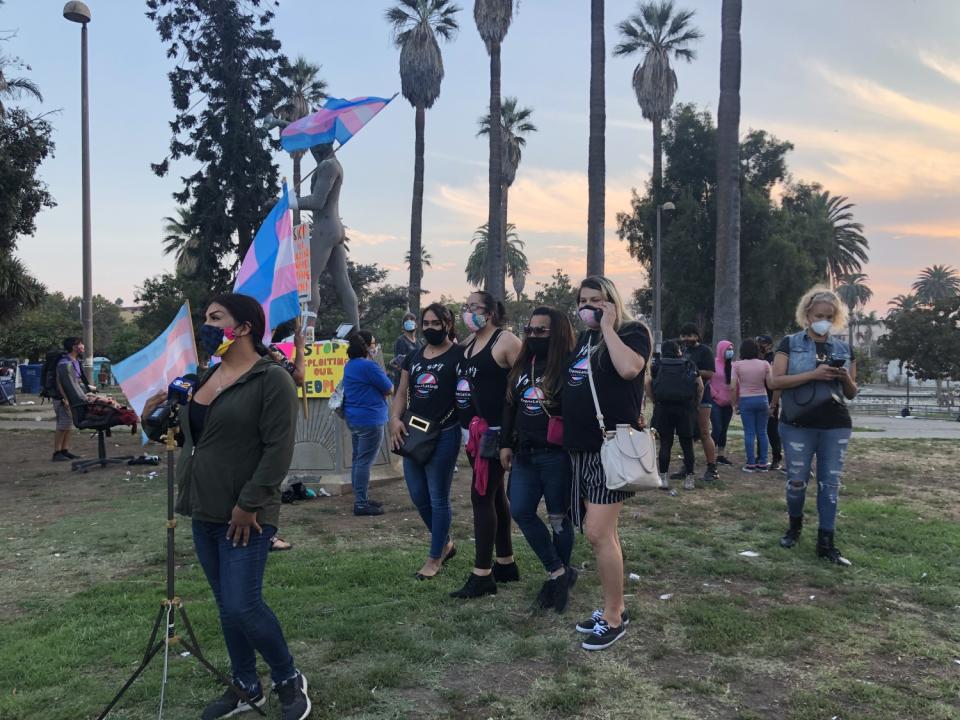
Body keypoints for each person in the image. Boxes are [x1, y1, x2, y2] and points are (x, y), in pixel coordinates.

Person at [142, 293, 311, 720]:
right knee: (225, 604)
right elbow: (185, 439)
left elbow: (278, 449)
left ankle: (289, 679)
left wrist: (249, 504)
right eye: (206, 317)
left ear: (245, 327)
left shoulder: (271, 379)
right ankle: (245, 685)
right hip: (204, 508)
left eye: (216, 317)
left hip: (247, 514)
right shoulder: (202, 378)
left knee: (243, 604)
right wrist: (151, 417)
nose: (207, 324)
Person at [563, 276, 651, 651]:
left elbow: (630, 370)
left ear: (612, 302)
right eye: (583, 300)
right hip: (580, 448)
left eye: (597, 300)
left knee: (598, 533)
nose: (588, 306)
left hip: (609, 447)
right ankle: (614, 606)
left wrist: (609, 328)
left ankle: (614, 618)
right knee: (603, 534)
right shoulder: (583, 340)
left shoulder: (632, 332)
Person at [769, 287, 858, 566]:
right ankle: (794, 527)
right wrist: (813, 374)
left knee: (829, 484)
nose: (824, 321)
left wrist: (843, 377)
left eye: (830, 317)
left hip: (835, 424)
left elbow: (852, 392)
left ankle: (826, 541)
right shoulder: (789, 343)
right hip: (797, 423)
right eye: (819, 315)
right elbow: (775, 382)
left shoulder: (843, 348)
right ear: (807, 314)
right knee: (796, 482)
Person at [500, 307, 577, 612]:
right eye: (529, 331)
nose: (533, 336)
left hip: (556, 455)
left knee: (559, 518)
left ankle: (558, 579)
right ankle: (558, 571)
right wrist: (505, 444)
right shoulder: (523, 366)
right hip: (524, 455)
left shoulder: (570, 367)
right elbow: (509, 406)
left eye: (540, 331)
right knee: (520, 510)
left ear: (556, 332)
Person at [451, 291, 523, 599]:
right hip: (473, 432)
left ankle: (482, 575)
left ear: (490, 313)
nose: (468, 312)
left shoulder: (506, 341)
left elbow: (525, 381)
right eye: (465, 307)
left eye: (474, 307)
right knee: (494, 497)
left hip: (496, 433)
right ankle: (505, 562)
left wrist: (511, 435)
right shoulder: (467, 345)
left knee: (481, 496)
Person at [389, 303, 462, 579]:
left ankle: (434, 558)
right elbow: (401, 391)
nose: (430, 328)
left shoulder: (459, 355)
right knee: (419, 496)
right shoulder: (415, 356)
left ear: (447, 324)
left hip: (445, 433)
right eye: (426, 323)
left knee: (438, 497)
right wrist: (394, 419)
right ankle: (444, 544)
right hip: (413, 434)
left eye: (436, 323)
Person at [343, 330, 393, 516]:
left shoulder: (350, 365)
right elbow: (389, 388)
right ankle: (361, 504)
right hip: (371, 419)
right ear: (365, 346)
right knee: (364, 461)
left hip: (354, 418)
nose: (375, 346)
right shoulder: (369, 366)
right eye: (372, 343)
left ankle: (360, 497)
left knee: (358, 459)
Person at [646, 340, 702, 491]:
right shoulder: (688, 364)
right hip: (685, 408)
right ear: (678, 351)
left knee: (665, 444)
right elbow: (700, 385)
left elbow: (647, 383)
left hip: (664, 408)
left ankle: (663, 478)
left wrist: (655, 399)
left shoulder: (657, 365)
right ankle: (689, 478)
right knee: (687, 444)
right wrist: (695, 403)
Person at [679, 323, 719, 482]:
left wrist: (691, 369)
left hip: (703, 396)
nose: (686, 339)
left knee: (704, 432)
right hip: (686, 397)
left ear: (697, 336)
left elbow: (710, 373)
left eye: (690, 335)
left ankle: (712, 468)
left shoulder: (705, 351)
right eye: (684, 336)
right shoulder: (683, 351)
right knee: (686, 433)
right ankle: (687, 466)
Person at [731, 338, 773, 472]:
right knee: (762, 432)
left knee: (749, 432)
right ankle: (763, 462)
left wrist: (734, 403)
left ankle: (750, 463)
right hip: (762, 398)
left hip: (746, 399)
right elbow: (771, 384)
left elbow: (732, 386)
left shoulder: (737, 365)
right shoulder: (765, 364)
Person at [51, 337, 92, 462]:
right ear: (74, 347)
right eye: (80, 344)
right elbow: (60, 383)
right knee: (62, 426)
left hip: (71, 399)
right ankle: (57, 452)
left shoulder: (75, 361)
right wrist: (65, 399)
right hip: (63, 399)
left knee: (68, 425)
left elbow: (75, 381)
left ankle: (65, 450)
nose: (83, 346)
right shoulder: (64, 362)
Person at [756, 334, 783, 470]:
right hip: (760, 397)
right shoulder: (760, 360)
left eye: (763, 343)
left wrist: (773, 404)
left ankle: (776, 458)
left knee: (772, 430)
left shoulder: (773, 360)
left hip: (771, 398)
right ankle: (760, 457)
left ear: (769, 345)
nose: (760, 346)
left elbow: (776, 383)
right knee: (761, 430)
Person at [711, 340, 735, 465]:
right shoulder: (713, 363)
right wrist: (716, 395)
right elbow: (708, 382)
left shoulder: (733, 366)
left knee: (724, 429)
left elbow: (736, 384)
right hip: (715, 402)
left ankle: (721, 455)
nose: (730, 351)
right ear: (721, 350)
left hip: (728, 403)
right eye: (728, 349)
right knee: (717, 428)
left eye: (731, 349)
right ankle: (709, 452)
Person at [391, 312, 422, 385]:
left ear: (416, 324)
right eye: (406, 320)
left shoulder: (420, 342)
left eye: (412, 319)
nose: (409, 321)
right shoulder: (401, 341)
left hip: (417, 380)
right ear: (403, 326)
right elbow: (399, 364)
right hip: (404, 382)